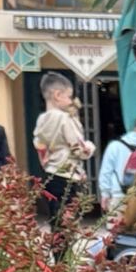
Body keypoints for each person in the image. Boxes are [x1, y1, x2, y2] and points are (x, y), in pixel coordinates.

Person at [32, 70, 94, 227]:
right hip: (68, 173)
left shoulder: (41, 119)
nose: (70, 101)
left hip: (50, 172)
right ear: (57, 95)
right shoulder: (64, 119)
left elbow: (39, 146)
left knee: (56, 220)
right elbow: (79, 149)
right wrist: (90, 147)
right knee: (68, 223)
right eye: (69, 96)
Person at [98, 118, 136, 209]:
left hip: (117, 195)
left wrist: (105, 194)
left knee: (116, 218)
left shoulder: (114, 146)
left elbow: (106, 171)